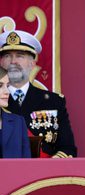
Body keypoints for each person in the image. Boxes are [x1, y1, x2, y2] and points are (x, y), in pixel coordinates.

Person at [0, 30, 77, 158]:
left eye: (20, 56)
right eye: (7, 56)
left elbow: (68, 148)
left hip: (44, 175)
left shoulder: (54, 101)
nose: (13, 61)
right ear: (1, 62)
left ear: (32, 63)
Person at [0, 66, 31, 158]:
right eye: (0, 86)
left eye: (7, 85)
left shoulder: (18, 122)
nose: (7, 91)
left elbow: (27, 164)